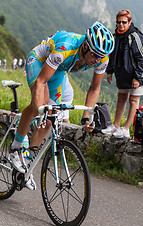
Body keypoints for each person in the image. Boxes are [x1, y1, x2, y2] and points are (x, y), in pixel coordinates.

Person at [10, 21, 114, 190]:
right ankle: (16, 146)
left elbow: (95, 88)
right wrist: (39, 111)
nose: (97, 60)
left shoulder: (102, 58)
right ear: (86, 46)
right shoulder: (66, 47)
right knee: (40, 107)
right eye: (95, 55)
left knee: (50, 119)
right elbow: (41, 81)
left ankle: (26, 164)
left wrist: (86, 117)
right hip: (39, 61)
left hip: (59, 70)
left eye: (101, 57)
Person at [101, 10, 143, 138]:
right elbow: (111, 55)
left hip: (136, 75)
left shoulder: (135, 36)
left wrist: (138, 77)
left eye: (124, 22)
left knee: (134, 100)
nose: (121, 25)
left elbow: (141, 58)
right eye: (118, 22)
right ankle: (115, 126)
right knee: (121, 99)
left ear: (129, 22)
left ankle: (125, 129)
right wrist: (109, 72)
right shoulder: (115, 36)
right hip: (122, 74)